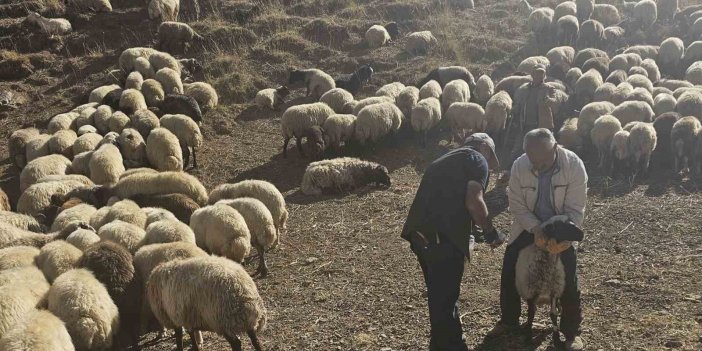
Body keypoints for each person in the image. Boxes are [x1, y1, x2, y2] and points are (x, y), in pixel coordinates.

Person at [401, 133, 507, 350]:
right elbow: (473, 201)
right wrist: (490, 232)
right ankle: (448, 345)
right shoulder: (476, 160)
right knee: (445, 298)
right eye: (490, 156)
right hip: (442, 238)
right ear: (484, 147)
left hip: (420, 235)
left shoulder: (444, 159)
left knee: (440, 295)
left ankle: (449, 343)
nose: (489, 162)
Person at [490, 128, 588, 351]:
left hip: (561, 223)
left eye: (542, 162)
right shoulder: (520, 165)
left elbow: (576, 208)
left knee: (567, 274)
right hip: (529, 224)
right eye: (532, 161)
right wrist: (536, 229)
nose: (536, 167)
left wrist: (558, 238)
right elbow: (516, 203)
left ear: (555, 148)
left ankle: (571, 332)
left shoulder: (573, 165)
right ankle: (509, 320)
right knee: (511, 266)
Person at [507, 64, 559, 174]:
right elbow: (519, 103)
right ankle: (511, 170)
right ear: (532, 74)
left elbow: (555, 102)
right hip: (525, 124)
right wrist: (514, 109)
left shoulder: (549, 88)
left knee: (547, 148)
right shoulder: (525, 88)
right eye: (537, 74)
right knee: (518, 147)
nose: (539, 76)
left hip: (542, 125)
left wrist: (549, 100)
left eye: (542, 74)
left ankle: (551, 170)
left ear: (544, 76)